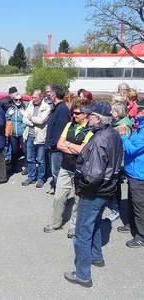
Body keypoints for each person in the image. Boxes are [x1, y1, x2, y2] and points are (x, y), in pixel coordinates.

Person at [64, 101, 123, 288]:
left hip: (95, 191)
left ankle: (82, 274)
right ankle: (96, 257)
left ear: (97, 118)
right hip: (106, 190)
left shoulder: (99, 139)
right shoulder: (112, 133)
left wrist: (81, 186)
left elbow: (93, 175)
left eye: (90, 115)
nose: (87, 117)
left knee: (82, 232)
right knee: (96, 222)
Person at [43, 99, 93, 238]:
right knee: (59, 197)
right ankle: (55, 223)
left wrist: (69, 145)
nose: (74, 115)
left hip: (81, 171)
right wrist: (73, 147)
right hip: (65, 168)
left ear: (85, 114)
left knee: (78, 201)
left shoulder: (91, 129)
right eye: (73, 112)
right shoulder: (69, 125)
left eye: (77, 113)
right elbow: (59, 144)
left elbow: (84, 151)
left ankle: (74, 227)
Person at [117, 100, 144, 248]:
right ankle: (131, 225)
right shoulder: (138, 127)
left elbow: (133, 150)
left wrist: (123, 136)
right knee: (132, 201)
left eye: (139, 111)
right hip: (132, 172)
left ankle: (141, 236)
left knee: (140, 206)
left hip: (140, 174)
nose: (136, 113)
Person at [106, 102, 133, 223]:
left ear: (119, 113)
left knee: (115, 185)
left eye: (114, 111)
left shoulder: (123, 126)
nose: (111, 113)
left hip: (118, 160)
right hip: (113, 158)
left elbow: (123, 146)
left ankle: (116, 210)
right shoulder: (115, 123)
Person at [21, 89, 51, 188]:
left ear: (41, 97)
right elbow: (24, 119)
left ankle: (40, 178)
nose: (33, 99)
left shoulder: (46, 107)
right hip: (29, 135)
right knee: (30, 158)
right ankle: (31, 177)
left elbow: (41, 120)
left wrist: (30, 118)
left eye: (35, 97)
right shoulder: (30, 104)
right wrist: (31, 120)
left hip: (40, 137)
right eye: (32, 97)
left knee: (41, 159)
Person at [45, 85, 71, 194]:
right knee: (55, 171)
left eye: (50, 94)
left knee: (57, 172)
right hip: (53, 147)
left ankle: (60, 193)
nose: (48, 95)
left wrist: (52, 144)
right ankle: (57, 189)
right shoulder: (56, 107)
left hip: (57, 148)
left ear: (54, 95)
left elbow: (61, 131)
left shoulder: (62, 109)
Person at [5, 93, 26, 175]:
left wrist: (25, 114)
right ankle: (13, 168)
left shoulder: (24, 108)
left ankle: (26, 167)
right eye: (16, 100)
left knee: (25, 151)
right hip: (13, 134)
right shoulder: (11, 108)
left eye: (20, 99)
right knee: (14, 151)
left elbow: (29, 118)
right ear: (13, 100)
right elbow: (6, 117)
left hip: (22, 133)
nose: (18, 101)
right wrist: (8, 114)